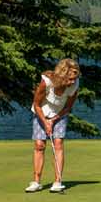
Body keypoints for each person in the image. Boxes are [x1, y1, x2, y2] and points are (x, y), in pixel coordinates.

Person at [26, 58, 80, 194]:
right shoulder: (47, 82)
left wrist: (54, 119)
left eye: (75, 78)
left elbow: (68, 107)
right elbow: (37, 104)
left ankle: (57, 182)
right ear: (63, 74)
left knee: (58, 143)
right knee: (39, 145)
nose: (73, 81)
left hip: (60, 114)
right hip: (40, 113)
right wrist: (45, 121)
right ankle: (36, 182)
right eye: (70, 78)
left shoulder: (74, 85)